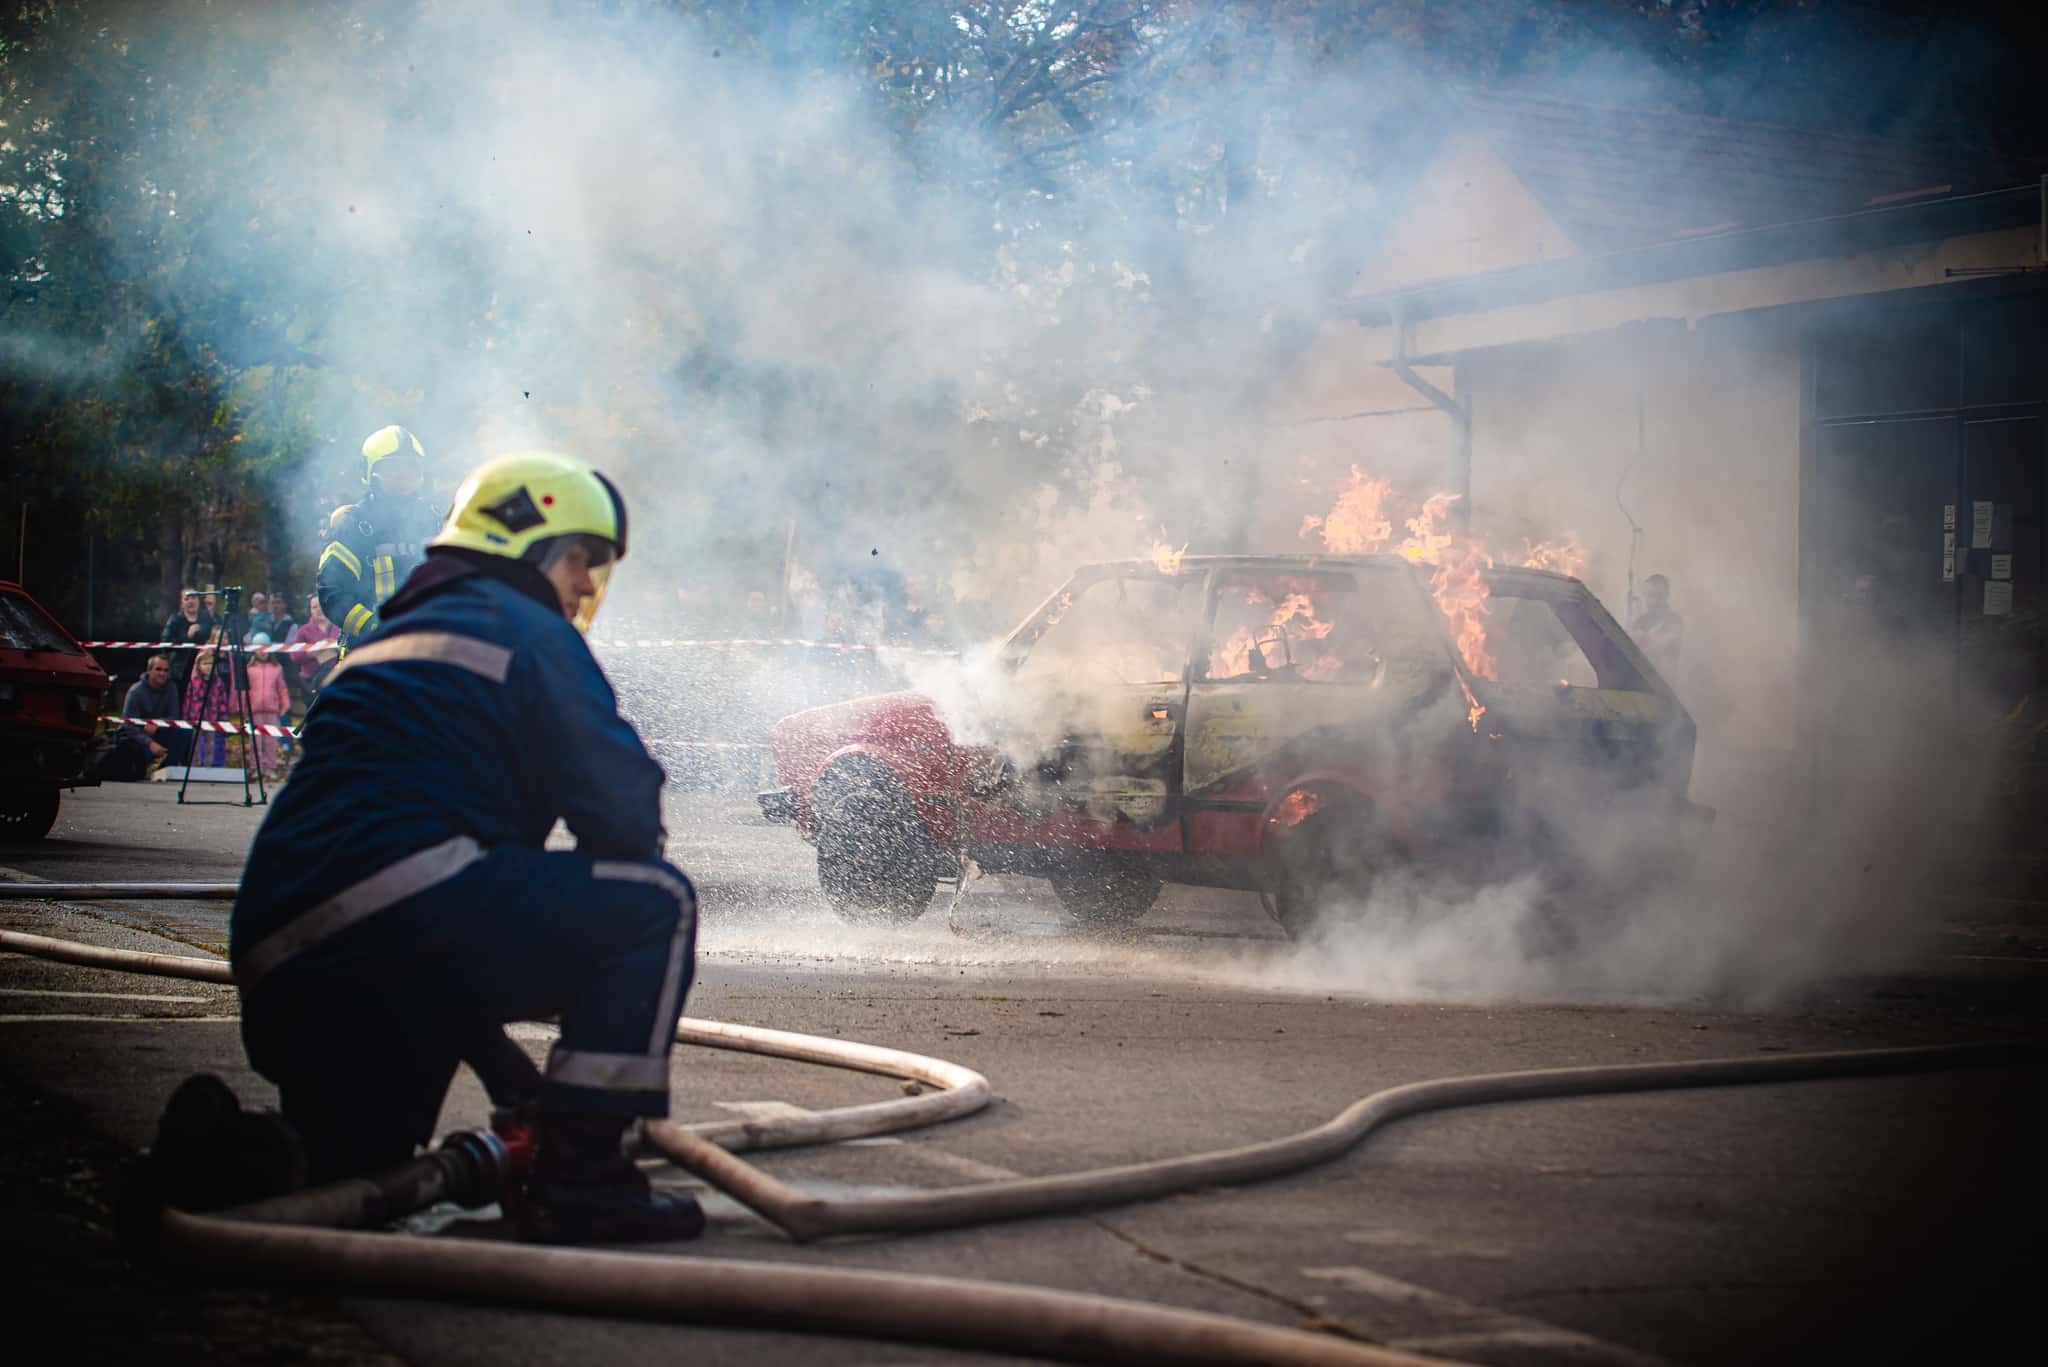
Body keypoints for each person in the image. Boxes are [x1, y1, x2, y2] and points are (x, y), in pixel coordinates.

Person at [231, 451, 701, 1244]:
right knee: (657, 903)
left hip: (282, 968)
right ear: (531, 542)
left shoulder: (382, 643)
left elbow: (387, 895)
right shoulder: (526, 628)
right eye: (582, 558)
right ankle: (585, 1179)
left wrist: (506, 1071)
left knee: (353, 1177)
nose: (587, 585)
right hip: (404, 928)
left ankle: (237, 1161)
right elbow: (624, 816)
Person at [318, 425, 442, 653]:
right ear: (370, 471)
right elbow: (332, 594)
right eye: (392, 467)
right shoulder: (354, 525)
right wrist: (377, 628)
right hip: (371, 654)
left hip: (429, 654)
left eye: (410, 466)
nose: (403, 475)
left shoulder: (435, 521)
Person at [100, 652, 191, 779]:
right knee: (138, 763)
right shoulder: (135, 692)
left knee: (185, 731)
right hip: (138, 738)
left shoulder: (171, 687)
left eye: (166, 670)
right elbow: (128, 725)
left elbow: (174, 716)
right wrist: (149, 743)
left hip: (160, 731)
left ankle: (167, 769)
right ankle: (146, 769)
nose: (162, 673)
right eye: (158, 669)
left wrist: (157, 723)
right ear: (149, 670)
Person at [182, 635, 246, 769]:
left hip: (212, 719)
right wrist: (186, 718)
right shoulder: (194, 682)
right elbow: (188, 700)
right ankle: (193, 767)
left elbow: (222, 702)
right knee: (195, 745)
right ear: (198, 665)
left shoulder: (218, 683)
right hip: (196, 719)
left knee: (210, 745)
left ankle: (208, 768)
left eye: (211, 664)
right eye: (205, 664)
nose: (208, 667)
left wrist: (223, 718)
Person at [244, 635, 291, 778]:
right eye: (259, 648)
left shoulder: (277, 668)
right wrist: (244, 707)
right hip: (255, 710)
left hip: (272, 710)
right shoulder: (249, 669)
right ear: (253, 650)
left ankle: (270, 767)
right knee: (255, 741)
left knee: (271, 741)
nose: (262, 651)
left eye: (265, 647)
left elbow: (282, 688)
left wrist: (285, 704)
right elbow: (245, 690)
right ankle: (256, 767)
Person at [285, 592, 341, 700]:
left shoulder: (339, 628)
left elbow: (353, 650)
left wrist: (336, 646)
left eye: (321, 606)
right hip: (313, 684)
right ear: (310, 611)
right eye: (314, 607)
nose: (318, 610)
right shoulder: (303, 631)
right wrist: (313, 652)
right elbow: (294, 657)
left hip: (338, 680)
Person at [158, 588, 214, 687]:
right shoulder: (175, 620)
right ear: (181, 604)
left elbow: (215, 634)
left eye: (193, 598)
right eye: (187, 598)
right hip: (180, 673)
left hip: (203, 672)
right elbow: (165, 645)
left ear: (198, 601)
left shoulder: (206, 618)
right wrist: (186, 637)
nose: (191, 601)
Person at [1631, 573, 1684, 674]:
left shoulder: (1675, 622)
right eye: (1649, 596)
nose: (1652, 601)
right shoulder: (1639, 621)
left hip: (1661, 685)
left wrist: (1640, 637)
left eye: (1657, 596)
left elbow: (1658, 648)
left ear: (1666, 596)